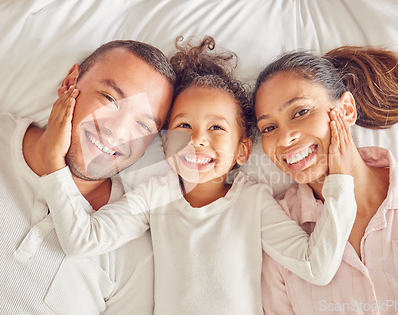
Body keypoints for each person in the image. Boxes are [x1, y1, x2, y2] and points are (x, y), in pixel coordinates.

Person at [40, 36, 357, 314]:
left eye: (216, 127)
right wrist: (54, 162)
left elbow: (316, 266)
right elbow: (82, 240)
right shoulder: (155, 196)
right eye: (183, 126)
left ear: (242, 152)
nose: (197, 139)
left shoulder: (253, 201)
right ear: (164, 144)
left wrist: (340, 183)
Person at [0, 40, 174, 314]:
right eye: (110, 99)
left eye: (142, 125)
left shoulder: (133, 251)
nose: (117, 132)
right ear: (70, 82)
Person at [253, 46, 398, 314]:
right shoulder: (278, 232)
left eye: (300, 112)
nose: (285, 137)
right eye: (269, 128)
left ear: (346, 109)